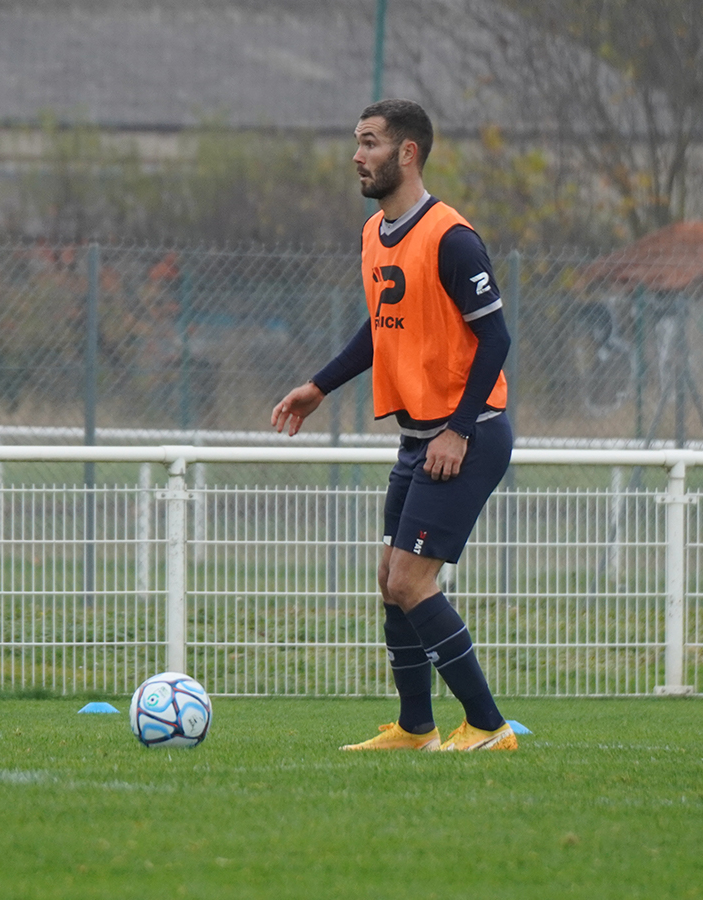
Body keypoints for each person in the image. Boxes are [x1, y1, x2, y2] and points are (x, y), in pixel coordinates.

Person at [271, 99, 517, 752]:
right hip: (419, 437)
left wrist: (458, 430)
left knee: (412, 581)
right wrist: (318, 387)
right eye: (357, 141)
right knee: (390, 578)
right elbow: (382, 330)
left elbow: (496, 339)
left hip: (469, 433)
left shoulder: (451, 237)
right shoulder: (374, 235)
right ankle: (416, 729)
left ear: (407, 153)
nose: (358, 154)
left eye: (370, 142)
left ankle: (490, 728)